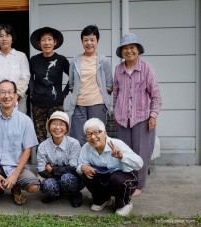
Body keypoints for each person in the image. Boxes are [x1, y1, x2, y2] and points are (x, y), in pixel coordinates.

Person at [113, 33, 162, 196]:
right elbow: (116, 93)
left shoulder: (147, 68)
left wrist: (153, 115)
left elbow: (155, 95)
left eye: (132, 47)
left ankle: (139, 184)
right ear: (121, 52)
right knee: (124, 152)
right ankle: (128, 181)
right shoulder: (118, 69)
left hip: (142, 116)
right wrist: (115, 113)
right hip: (122, 118)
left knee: (142, 152)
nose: (129, 51)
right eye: (125, 48)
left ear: (138, 50)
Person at [77, 118, 143, 216]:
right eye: (89, 134)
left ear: (104, 133)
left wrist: (122, 156)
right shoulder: (86, 147)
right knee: (85, 175)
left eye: (96, 132)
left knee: (115, 178)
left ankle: (124, 204)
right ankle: (103, 200)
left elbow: (139, 163)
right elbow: (79, 166)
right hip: (105, 178)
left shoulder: (117, 144)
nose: (93, 137)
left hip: (126, 179)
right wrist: (83, 167)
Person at [68, 25, 113, 146]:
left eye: (92, 40)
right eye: (85, 40)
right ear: (82, 41)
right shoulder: (75, 60)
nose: (89, 43)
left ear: (97, 41)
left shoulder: (104, 61)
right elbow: (71, 83)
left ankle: (97, 163)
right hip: (78, 105)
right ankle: (80, 164)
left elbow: (109, 85)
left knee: (97, 137)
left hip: (97, 105)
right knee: (78, 138)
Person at [29, 27, 70, 143]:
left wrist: (64, 93)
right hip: (38, 104)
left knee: (57, 134)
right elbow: (29, 77)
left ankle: (57, 160)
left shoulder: (61, 60)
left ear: (55, 42)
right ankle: (43, 161)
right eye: (43, 40)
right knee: (39, 135)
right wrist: (32, 93)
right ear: (39, 43)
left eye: (49, 39)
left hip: (56, 103)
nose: (47, 43)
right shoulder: (34, 60)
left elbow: (73, 77)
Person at [37, 111, 83, 207]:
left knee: (66, 178)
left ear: (66, 129)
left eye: (62, 124)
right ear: (49, 127)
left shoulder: (74, 143)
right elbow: (41, 169)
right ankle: (57, 194)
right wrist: (58, 177)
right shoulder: (43, 146)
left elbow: (73, 168)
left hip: (72, 178)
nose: (58, 127)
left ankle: (75, 195)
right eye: (54, 124)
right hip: (54, 178)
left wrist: (52, 169)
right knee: (48, 185)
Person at [0, 24, 30, 114]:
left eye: (7, 35)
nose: (4, 39)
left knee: (19, 124)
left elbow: (25, 77)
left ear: (12, 38)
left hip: (18, 99)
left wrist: (15, 95)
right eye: (1, 36)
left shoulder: (21, 56)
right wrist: (1, 95)